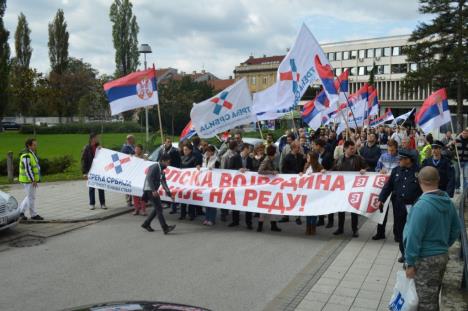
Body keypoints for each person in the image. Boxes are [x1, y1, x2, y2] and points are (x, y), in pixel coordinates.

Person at [404, 166, 460, 311]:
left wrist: (410, 263)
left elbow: (413, 237)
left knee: (424, 301)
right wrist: (444, 245)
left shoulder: (421, 206)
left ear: (420, 181)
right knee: (433, 295)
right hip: (442, 255)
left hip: (425, 259)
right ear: (438, 180)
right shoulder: (448, 202)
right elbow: (456, 229)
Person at [378, 149, 422, 263]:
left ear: (408, 160)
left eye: (401, 159)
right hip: (399, 206)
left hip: (415, 206)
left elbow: (423, 189)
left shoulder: (419, 172)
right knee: (401, 230)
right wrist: (381, 199)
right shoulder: (396, 171)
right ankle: (404, 253)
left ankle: (414, 253)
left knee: (414, 231)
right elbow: (388, 186)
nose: (399, 160)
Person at [331, 140, 368, 237]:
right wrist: (325, 172)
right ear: (345, 148)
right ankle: (340, 228)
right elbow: (333, 171)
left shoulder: (358, 158)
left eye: (354, 148)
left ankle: (355, 229)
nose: (353, 150)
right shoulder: (339, 159)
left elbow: (367, 168)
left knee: (353, 210)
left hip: (353, 188)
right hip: (342, 188)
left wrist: (364, 170)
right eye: (351, 148)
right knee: (341, 209)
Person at [141, 154, 176, 234]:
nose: (168, 164)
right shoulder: (155, 167)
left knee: (158, 208)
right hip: (149, 190)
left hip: (152, 190)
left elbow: (164, 183)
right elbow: (149, 178)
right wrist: (153, 190)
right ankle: (165, 227)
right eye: (167, 162)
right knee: (159, 208)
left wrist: (170, 195)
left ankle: (146, 223)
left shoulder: (162, 170)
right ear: (162, 161)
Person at [372, 139, 400, 240]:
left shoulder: (400, 158)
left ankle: (397, 234)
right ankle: (380, 233)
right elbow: (376, 169)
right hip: (385, 187)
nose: (391, 152)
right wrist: (380, 170)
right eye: (389, 150)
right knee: (382, 210)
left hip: (397, 187)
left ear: (396, 148)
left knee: (397, 212)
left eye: (392, 150)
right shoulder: (383, 156)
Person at [257, 145, 282, 232]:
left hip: (271, 186)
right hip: (266, 186)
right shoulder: (267, 160)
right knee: (265, 206)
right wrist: (271, 172)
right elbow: (260, 171)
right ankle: (260, 226)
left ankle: (273, 225)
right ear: (273, 153)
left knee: (272, 205)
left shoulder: (271, 159)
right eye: (275, 152)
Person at [280, 141, 305, 225]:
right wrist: (294, 174)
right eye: (298, 147)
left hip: (299, 182)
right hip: (290, 182)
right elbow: (284, 170)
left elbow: (304, 167)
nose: (299, 148)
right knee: (287, 199)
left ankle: (297, 217)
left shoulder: (301, 156)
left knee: (297, 199)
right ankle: (285, 216)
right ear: (293, 148)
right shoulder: (287, 157)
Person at [229, 144, 253, 229]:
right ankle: (235, 221)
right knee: (236, 203)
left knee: (248, 204)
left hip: (247, 185)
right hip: (237, 185)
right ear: (243, 149)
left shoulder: (250, 159)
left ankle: (249, 223)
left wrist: (248, 170)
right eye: (247, 149)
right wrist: (238, 171)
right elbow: (229, 170)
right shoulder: (234, 158)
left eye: (249, 150)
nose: (249, 151)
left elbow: (253, 170)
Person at [18, 138, 43, 221]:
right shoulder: (26, 155)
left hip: (29, 180)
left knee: (29, 197)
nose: (36, 146)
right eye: (34, 145)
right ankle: (33, 215)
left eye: (36, 144)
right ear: (29, 145)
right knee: (31, 197)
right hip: (28, 180)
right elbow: (27, 169)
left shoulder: (31, 153)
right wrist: (33, 180)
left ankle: (20, 212)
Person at [312, 138, 335, 228]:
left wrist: (327, 170)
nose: (313, 147)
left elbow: (333, 167)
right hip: (319, 181)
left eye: (314, 145)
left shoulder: (328, 155)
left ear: (318, 146)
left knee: (329, 201)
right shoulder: (316, 155)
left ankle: (330, 221)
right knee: (319, 200)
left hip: (328, 181)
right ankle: (321, 219)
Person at [81, 133, 106, 210]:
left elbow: (104, 158)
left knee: (101, 187)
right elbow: (83, 160)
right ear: (92, 139)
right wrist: (84, 172)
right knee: (91, 187)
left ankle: (103, 203)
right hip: (90, 170)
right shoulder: (87, 148)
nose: (98, 139)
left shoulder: (99, 147)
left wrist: (102, 150)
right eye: (96, 137)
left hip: (99, 170)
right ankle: (92, 203)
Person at [302, 151, 323, 235]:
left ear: (313, 158)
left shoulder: (318, 166)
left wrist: (323, 171)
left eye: (308, 157)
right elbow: (303, 175)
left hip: (315, 192)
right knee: (308, 210)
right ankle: (308, 227)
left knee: (313, 210)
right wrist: (301, 174)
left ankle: (313, 227)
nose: (307, 159)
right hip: (307, 192)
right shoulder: (306, 165)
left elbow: (324, 173)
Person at [219, 140, 240, 222]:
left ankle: (228, 212)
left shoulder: (236, 154)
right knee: (225, 197)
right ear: (235, 147)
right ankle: (223, 214)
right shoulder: (225, 156)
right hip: (227, 180)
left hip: (234, 180)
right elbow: (223, 169)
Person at [199, 145, 219, 226]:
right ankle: (207, 218)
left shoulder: (216, 159)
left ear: (212, 152)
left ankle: (212, 219)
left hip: (214, 183)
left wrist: (213, 169)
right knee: (207, 201)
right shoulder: (204, 158)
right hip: (206, 182)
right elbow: (203, 168)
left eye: (208, 151)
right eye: (206, 151)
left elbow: (219, 170)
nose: (207, 153)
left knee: (212, 202)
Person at [179, 143, 198, 220]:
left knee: (190, 198)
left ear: (190, 150)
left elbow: (196, 168)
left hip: (191, 181)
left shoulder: (194, 158)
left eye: (186, 150)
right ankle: (182, 214)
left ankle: (191, 214)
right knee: (183, 197)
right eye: (183, 150)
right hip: (183, 180)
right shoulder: (182, 157)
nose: (184, 151)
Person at [132, 144, 148, 216]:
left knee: (142, 195)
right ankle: (136, 209)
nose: (137, 150)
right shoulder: (132, 157)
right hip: (135, 178)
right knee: (135, 194)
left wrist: (146, 160)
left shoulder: (144, 157)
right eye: (136, 149)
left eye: (138, 149)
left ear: (141, 150)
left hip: (142, 178)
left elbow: (148, 166)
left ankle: (143, 210)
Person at [121, 134, 136, 207]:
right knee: (128, 185)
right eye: (132, 139)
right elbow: (123, 158)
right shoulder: (125, 148)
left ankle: (133, 200)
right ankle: (128, 200)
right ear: (129, 140)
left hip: (133, 169)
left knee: (133, 185)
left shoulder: (134, 147)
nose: (134, 140)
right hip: (128, 169)